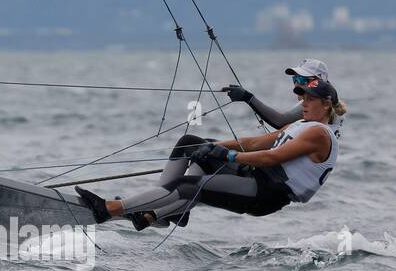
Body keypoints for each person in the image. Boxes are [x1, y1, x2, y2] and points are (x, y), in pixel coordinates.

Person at [78, 77, 345, 230]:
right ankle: (164, 212)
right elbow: (253, 144)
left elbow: (270, 158)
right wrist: (212, 146)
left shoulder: (319, 134)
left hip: (266, 193)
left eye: (309, 99)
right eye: (301, 97)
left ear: (326, 104)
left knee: (187, 185)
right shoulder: (301, 125)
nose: (303, 102)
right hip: (254, 177)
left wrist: (227, 156)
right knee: (189, 143)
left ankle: (110, 209)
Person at [222, 58, 333, 130]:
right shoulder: (312, 103)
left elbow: (280, 122)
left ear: (320, 81)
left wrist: (247, 97)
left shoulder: (321, 103)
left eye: (303, 80)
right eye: (295, 79)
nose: (297, 84)